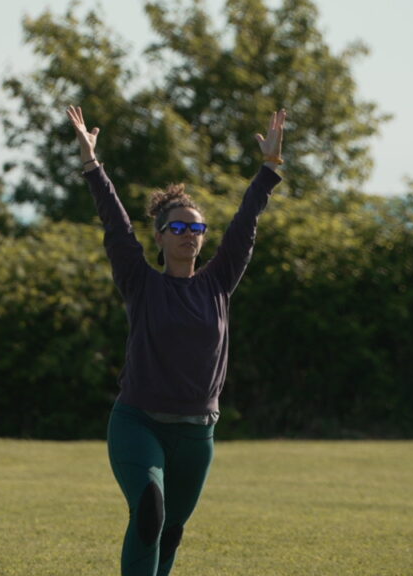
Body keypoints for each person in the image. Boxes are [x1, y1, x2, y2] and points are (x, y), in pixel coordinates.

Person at [67, 105, 286, 575]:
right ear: (161, 237)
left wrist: (267, 170)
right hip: (138, 423)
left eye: (197, 228)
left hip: (197, 431)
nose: (189, 234)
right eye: (179, 228)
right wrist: (92, 165)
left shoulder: (218, 281)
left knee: (172, 530)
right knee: (149, 511)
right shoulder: (140, 282)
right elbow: (116, 227)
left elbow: (245, 226)